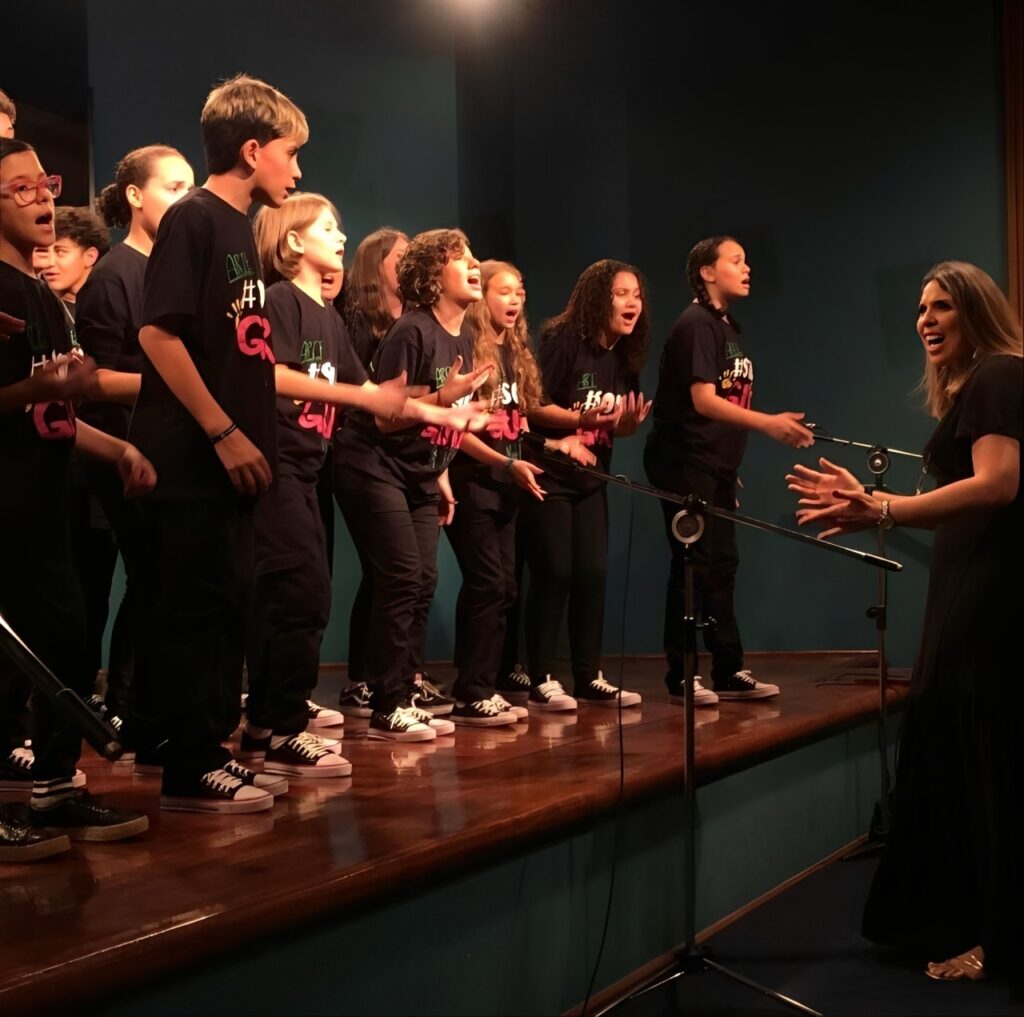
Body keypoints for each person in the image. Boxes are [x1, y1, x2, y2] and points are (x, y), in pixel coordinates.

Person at [788, 261, 1022, 984]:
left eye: (942, 306)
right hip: (966, 580)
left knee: (986, 754)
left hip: (991, 588)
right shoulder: (981, 382)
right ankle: (966, 916)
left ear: (975, 311)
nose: (925, 319)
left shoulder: (999, 375)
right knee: (958, 743)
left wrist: (882, 508)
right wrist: (874, 508)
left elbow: (998, 484)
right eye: (920, 308)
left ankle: (999, 936)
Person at [245, 195, 485, 772]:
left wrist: (440, 413)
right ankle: (281, 727)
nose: (341, 235)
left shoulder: (326, 317)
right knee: (298, 595)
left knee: (310, 594)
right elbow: (269, 374)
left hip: (306, 469)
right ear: (294, 242)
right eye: (328, 226)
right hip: (276, 469)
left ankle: (269, 724)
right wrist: (426, 407)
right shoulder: (279, 300)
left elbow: (382, 401)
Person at [128, 74, 310, 813]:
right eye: (290, 155)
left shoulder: (241, 230)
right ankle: (189, 762)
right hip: (194, 459)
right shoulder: (196, 219)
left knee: (228, 603)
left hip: (233, 463)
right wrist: (225, 430)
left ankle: (211, 747)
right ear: (252, 149)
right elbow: (156, 331)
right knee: (197, 608)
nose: (297, 172)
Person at [0, 137, 153, 855]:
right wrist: (38, 388)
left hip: (45, 499)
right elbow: (34, 394)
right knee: (21, 652)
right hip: (8, 500)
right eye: (22, 189)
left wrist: (118, 445)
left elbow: (58, 407)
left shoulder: (44, 297)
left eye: (46, 184)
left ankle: (56, 787)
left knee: (67, 638)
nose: (44, 200)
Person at [333, 228, 491, 740]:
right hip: (372, 464)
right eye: (458, 257)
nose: (473, 263)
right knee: (401, 576)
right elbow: (385, 417)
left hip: (419, 471)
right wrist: (448, 402)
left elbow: (434, 415)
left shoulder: (462, 336)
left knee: (423, 579)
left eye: (471, 254)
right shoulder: (412, 330)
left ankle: (402, 687)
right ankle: (386, 702)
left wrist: (442, 469)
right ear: (429, 276)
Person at [644, 236, 813, 707]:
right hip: (683, 461)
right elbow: (702, 400)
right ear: (707, 272)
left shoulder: (723, 325)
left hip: (711, 464)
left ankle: (728, 669)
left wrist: (726, 465)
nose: (746, 268)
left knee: (722, 565)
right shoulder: (697, 324)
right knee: (693, 565)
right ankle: (682, 675)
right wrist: (770, 425)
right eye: (735, 261)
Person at [73, 145, 195, 730]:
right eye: (173, 187)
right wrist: (176, 381)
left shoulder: (169, 272)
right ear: (135, 196)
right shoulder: (113, 275)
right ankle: (124, 706)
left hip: (167, 448)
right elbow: (93, 380)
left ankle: (146, 702)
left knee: (165, 582)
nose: (184, 200)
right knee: (148, 579)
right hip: (123, 450)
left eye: (188, 189)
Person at [446, 260, 596, 724]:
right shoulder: (465, 350)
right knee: (488, 583)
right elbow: (455, 428)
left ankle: (483, 683)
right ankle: (471, 690)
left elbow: (519, 425)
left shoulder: (512, 352)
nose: (515, 299)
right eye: (505, 291)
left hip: (505, 485)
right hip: (474, 481)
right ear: (482, 297)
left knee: (506, 586)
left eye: (520, 291)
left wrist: (556, 442)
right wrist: (503, 462)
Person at [521, 259, 652, 710]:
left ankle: (588, 675)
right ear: (598, 298)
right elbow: (531, 406)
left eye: (636, 293)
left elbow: (614, 425)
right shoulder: (562, 342)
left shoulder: (624, 355)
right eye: (621, 293)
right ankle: (539, 676)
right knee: (554, 572)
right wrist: (579, 420)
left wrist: (628, 425)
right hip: (548, 473)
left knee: (592, 575)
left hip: (591, 479)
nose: (632, 301)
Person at [333, 228, 409, 709]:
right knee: (390, 571)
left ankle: (385, 674)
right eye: (401, 256)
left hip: (398, 456)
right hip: (357, 451)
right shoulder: (355, 318)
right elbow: (365, 397)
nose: (409, 262)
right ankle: (367, 678)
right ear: (376, 264)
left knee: (388, 574)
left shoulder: (412, 321)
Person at [42, 206, 110, 317]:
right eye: (44, 252)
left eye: (59, 252)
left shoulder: (113, 308)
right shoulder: (38, 310)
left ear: (90, 256)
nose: (49, 262)